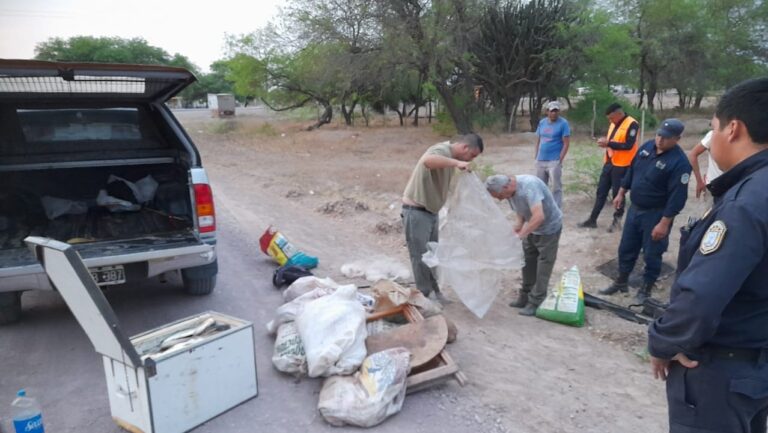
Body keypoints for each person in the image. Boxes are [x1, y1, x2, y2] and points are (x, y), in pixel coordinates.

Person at [648, 78, 768, 433]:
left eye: (712, 127)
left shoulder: (745, 203)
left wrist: (665, 340)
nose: (711, 137)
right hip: (755, 367)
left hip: (719, 372)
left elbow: (703, 292)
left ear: (734, 129)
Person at [600, 118, 692, 301]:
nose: (660, 140)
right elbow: (632, 171)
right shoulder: (647, 147)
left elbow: (678, 197)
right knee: (626, 247)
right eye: (659, 135)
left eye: (666, 138)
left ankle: (646, 289)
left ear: (677, 139)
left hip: (656, 214)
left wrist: (664, 223)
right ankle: (621, 281)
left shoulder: (680, 163)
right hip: (635, 210)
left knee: (652, 253)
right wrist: (621, 192)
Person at [402, 133, 484, 302]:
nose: (471, 159)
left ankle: (435, 292)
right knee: (420, 257)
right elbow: (428, 161)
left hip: (431, 213)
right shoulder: (441, 149)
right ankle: (424, 297)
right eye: (472, 155)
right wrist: (457, 163)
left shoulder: (449, 157)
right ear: (464, 147)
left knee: (433, 255)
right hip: (416, 211)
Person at [485, 174, 563, 316]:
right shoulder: (510, 191)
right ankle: (525, 295)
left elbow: (539, 216)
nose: (500, 199)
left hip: (549, 229)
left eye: (500, 195)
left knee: (543, 266)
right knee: (527, 261)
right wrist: (518, 225)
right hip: (533, 227)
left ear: (506, 187)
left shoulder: (529, 186)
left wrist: (522, 235)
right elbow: (521, 209)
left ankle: (536, 301)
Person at [578, 103, 640, 232]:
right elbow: (612, 141)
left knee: (618, 194)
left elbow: (628, 145)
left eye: (612, 118)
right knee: (601, 192)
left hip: (623, 165)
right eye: (609, 119)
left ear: (619, 114)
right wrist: (605, 142)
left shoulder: (632, 124)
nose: (610, 121)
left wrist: (609, 143)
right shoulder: (613, 123)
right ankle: (592, 219)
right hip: (610, 162)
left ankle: (616, 222)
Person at [534, 100, 570, 208]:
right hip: (541, 159)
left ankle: (556, 208)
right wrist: (536, 156)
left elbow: (566, 143)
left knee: (555, 187)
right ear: (547, 111)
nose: (554, 113)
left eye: (556, 111)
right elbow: (538, 140)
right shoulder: (542, 122)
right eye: (552, 111)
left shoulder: (563, 123)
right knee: (540, 185)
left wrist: (560, 159)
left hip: (554, 159)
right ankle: (542, 207)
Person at [687, 129, 725, 202]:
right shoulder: (713, 135)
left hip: (735, 187)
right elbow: (693, 154)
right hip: (713, 187)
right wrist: (699, 181)